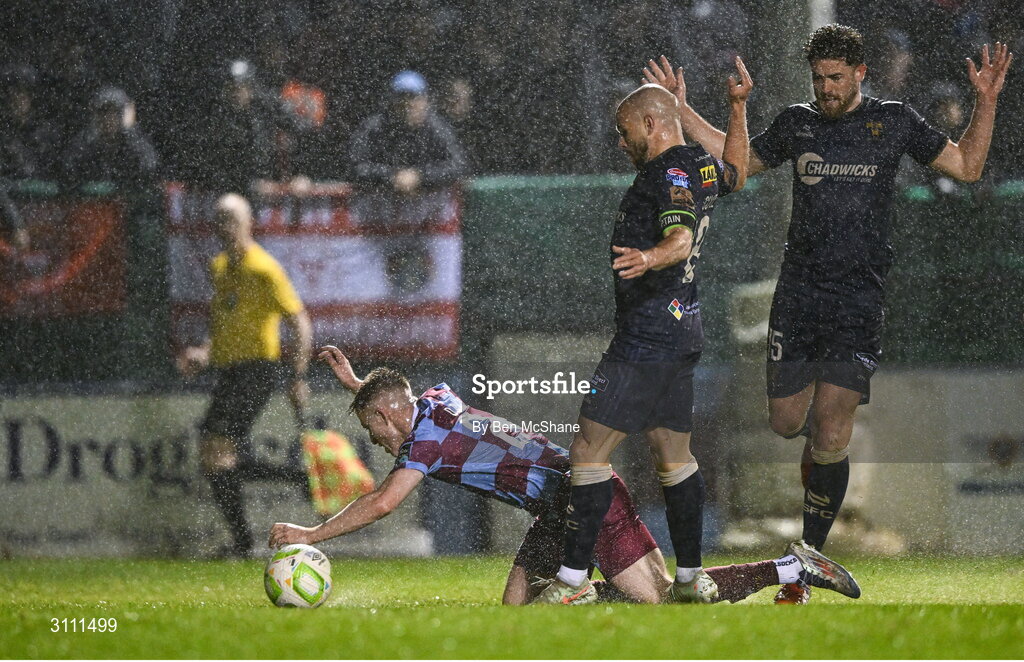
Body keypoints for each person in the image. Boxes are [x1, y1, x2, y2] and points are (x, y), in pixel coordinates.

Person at [644, 25, 1013, 604]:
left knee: (831, 427)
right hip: (798, 296)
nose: (827, 89)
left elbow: (966, 165)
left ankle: (807, 558)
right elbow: (731, 161)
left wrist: (986, 101)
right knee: (788, 423)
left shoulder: (893, 122)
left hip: (857, 300)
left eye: (836, 78)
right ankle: (809, 542)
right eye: (819, 79)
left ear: (861, 73)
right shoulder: (798, 122)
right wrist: (687, 108)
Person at [268, 346, 861, 606]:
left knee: (668, 599)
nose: (376, 441)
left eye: (373, 429)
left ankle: (793, 566)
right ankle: (575, 597)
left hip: (584, 496)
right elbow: (392, 400)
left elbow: (380, 505)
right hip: (555, 505)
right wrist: (356, 387)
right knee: (517, 613)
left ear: (387, 416)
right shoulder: (436, 399)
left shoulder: (422, 441)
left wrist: (309, 535)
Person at [535, 64, 752, 606]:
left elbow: (678, 237)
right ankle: (689, 579)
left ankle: (570, 583)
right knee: (674, 457)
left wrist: (649, 256)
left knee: (587, 452)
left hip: (648, 334)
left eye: (624, 129)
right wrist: (737, 110)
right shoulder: (699, 164)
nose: (620, 140)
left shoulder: (667, 174)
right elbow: (738, 172)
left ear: (652, 122)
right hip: (683, 329)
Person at [177, 193, 313, 558]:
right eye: (220, 219)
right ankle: (296, 478)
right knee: (217, 455)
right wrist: (203, 353)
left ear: (249, 223)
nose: (225, 227)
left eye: (232, 219)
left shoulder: (264, 268)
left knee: (217, 449)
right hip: (230, 371)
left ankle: (242, 544)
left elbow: (299, 321)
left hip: (258, 370)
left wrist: (298, 376)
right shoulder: (220, 267)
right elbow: (222, 324)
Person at [348, 70, 468, 195]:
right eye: (401, 97)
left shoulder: (437, 127)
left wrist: (420, 176)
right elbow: (355, 166)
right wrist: (392, 175)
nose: (408, 104)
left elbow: (458, 165)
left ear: (425, 100)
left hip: (429, 206)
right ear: (392, 101)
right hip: (380, 204)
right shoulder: (374, 126)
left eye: (414, 97)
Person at [62, 87, 159, 191]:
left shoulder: (136, 146)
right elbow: (70, 174)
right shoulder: (83, 146)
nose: (108, 119)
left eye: (114, 113)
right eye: (103, 113)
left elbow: (148, 172)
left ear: (121, 116)